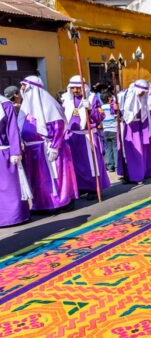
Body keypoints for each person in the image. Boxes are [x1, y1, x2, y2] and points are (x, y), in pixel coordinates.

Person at [19, 76, 77, 211]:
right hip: (31, 150)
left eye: (24, 86)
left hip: (47, 149)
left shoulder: (48, 105)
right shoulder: (25, 108)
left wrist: (55, 147)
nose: (22, 89)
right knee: (38, 179)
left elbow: (58, 126)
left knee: (54, 177)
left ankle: (59, 202)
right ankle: (41, 204)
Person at [62, 75, 110, 199]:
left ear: (84, 88)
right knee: (76, 164)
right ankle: (81, 187)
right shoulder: (66, 99)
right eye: (72, 88)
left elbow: (100, 117)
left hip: (87, 136)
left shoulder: (93, 98)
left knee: (91, 164)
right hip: (73, 136)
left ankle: (93, 188)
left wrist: (90, 110)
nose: (75, 91)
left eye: (78, 88)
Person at [118, 79, 151, 183]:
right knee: (130, 153)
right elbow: (119, 113)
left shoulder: (146, 100)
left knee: (140, 153)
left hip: (142, 128)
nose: (143, 95)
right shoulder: (124, 98)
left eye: (145, 93)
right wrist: (115, 108)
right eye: (141, 93)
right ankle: (130, 175)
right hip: (129, 129)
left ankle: (138, 174)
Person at [0, 94, 30, 226]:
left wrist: (15, 151)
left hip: (4, 151)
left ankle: (15, 216)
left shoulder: (5, 104)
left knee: (10, 187)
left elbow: (12, 129)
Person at [99, 85, 118, 173]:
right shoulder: (112, 107)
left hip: (105, 130)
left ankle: (110, 166)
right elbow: (116, 116)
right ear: (110, 98)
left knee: (107, 148)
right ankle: (117, 165)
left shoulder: (101, 108)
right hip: (114, 129)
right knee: (115, 147)